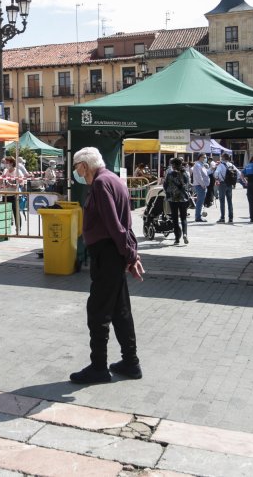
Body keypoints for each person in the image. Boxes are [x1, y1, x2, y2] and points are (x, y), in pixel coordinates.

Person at [69, 146, 144, 384]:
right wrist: (130, 253)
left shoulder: (101, 183)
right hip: (114, 253)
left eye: (76, 167)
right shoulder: (114, 180)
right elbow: (126, 223)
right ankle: (130, 362)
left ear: (83, 166)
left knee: (98, 311)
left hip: (107, 254)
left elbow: (114, 224)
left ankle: (98, 367)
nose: (76, 172)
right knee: (120, 311)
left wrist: (131, 254)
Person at [163, 157, 192, 245]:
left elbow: (165, 185)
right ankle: (185, 234)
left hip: (173, 199)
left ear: (174, 165)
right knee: (183, 218)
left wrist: (169, 192)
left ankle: (177, 239)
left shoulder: (170, 174)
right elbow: (188, 185)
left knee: (175, 219)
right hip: (183, 198)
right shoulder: (186, 173)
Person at [213, 154, 238, 223]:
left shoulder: (220, 165)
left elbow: (216, 173)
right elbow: (238, 173)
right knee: (229, 201)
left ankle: (222, 218)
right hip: (229, 184)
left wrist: (217, 178)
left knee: (222, 201)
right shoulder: (231, 165)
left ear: (223, 158)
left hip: (222, 184)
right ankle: (230, 218)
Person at [190, 154, 212, 222]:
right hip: (200, 186)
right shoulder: (197, 165)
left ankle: (198, 216)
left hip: (202, 185)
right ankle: (198, 217)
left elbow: (206, 173)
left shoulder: (201, 165)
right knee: (200, 202)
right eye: (204, 157)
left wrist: (212, 169)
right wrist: (203, 185)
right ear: (200, 158)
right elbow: (198, 176)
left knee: (201, 202)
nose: (205, 158)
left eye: (206, 157)